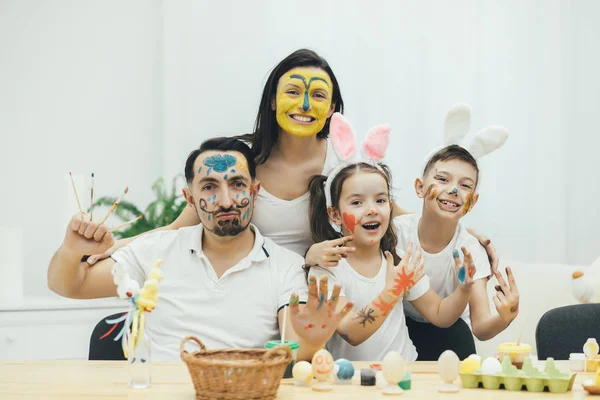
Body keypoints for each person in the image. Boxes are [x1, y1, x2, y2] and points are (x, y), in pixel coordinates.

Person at [86, 49, 498, 269]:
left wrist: (460, 231)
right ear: (272, 99)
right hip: (248, 288)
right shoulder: (240, 164)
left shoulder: (343, 160)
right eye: (293, 91)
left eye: (318, 94)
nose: (304, 103)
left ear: (333, 106)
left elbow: (399, 216)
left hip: (315, 291)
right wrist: (119, 246)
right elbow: (179, 227)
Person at [48, 137, 353, 360]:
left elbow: (293, 347)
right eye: (209, 187)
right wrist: (70, 250)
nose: (225, 201)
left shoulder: (285, 266)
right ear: (190, 198)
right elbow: (69, 284)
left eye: (236, 184)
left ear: (255, 191)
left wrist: (311, 343)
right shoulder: (156, 250)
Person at [305, 114, 475, 361]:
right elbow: (351, 330)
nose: (372, 209)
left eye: (381, 200)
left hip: (406, 373)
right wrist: (394, 289)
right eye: (357, 202)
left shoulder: (398, 262)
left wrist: (464, 289)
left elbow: (440, 314)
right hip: (352, 382)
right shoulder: (325, 270)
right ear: (335, 213)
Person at [396, 106, 519, 340]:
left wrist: (505, 318)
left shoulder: (471, 250)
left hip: (451, 334)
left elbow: (481, 326)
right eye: (442, 179)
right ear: (419, 187)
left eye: (465, 186)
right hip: (398, 330)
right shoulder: (396, 233)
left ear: (472, 202)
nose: (453, 190)